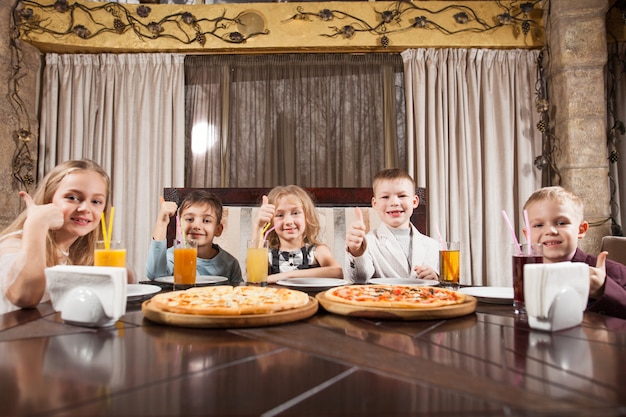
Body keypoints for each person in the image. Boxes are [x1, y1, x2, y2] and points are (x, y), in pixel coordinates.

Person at [0, 159, 112, 314]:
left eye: (96, 201)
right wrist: (36, 224)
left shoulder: (74, 254)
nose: (85, 208)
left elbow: (129, 279)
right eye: (72, 197)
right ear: (48, 201)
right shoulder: (13, 244)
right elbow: (25, 296)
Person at [523, 186, 626, 320]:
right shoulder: (526, 274)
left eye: (561, 223)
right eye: (538, 225)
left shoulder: (617, 273)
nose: (550, 231)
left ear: (581, 229)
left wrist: (603, 289)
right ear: (527, 235)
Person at [344, 168, 439, 283]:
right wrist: (356, 252)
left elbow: (443, 285)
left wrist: (434, 278)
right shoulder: (368, 243)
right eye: (385, 197)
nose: (394, 202)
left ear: (414, 202)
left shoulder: (433, 246)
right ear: (375, 204)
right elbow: (359, 278)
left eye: (402, 195)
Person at [146, 190, 242, 286]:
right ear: (179, 226)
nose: (196, 226)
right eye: (189, 219)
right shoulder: (173, 256)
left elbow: (240, 294)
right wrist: (162, 223)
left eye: (206, 220)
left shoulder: (230, 264)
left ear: (218, 230)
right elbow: (155, 275)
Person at [252, 185, 342, 283]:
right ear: (271, 222)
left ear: (307, 217)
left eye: (295, 213)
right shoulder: (267, 255)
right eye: (280, 215)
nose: (288, 221)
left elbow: (337, 272)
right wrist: (258, 227)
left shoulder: (316, 251)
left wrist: (287, 276)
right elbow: (253, 278)